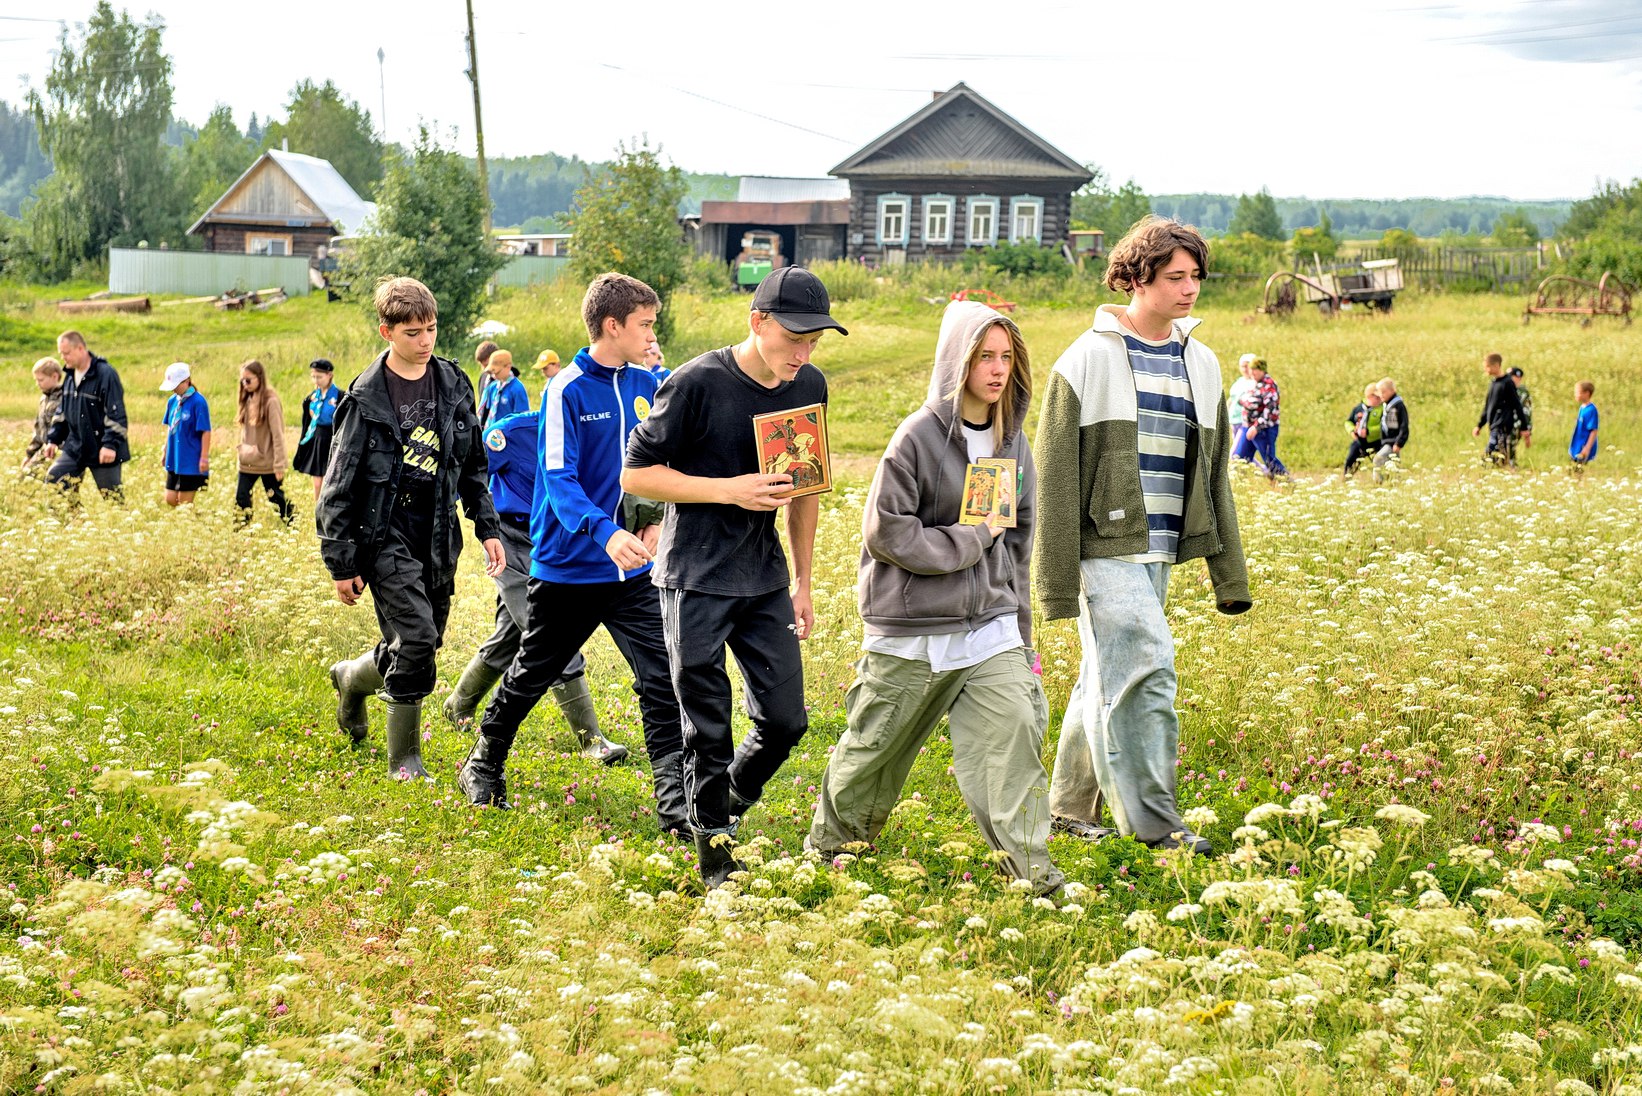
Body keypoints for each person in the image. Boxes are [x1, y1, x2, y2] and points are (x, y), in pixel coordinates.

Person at [807, 301, 1062, 895]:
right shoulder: (916, 438)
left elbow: (1017, 546)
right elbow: (887, 532)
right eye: (983, 357)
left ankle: (1034, 876)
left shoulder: (1011, 443)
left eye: (1006, 358)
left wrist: (1021, 633)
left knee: (1014, 742)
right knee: (872, 753)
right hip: (912, 628)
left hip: (989, 630)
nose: (997, 371)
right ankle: (831, 853)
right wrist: (968, 541)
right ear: (957, 363)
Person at [1035, 216, 1251, 855]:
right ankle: (1156, 826)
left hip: (1162, 545)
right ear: (1135, 278)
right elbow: (1055, 478)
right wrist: (1052, 580)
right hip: (1101, 549)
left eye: (1196, 278)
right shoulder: (1087, 359)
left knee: (1105, 672)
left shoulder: (1203, 363)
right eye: (1175, 277)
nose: (1190, 290)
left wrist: (1227, 571)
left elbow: (1216, 473)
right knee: (1147, 668)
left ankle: (1069, 808)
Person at [623, 266, 845, 888]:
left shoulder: (809, 386)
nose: (803, 353)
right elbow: (636, 476)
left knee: (787, 721)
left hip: (764, 577)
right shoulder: (694, 383)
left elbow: (805, 490)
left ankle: (729, 800)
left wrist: (803, 581)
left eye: (814, 341)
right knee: (708, 724)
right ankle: (713, 849)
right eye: (793, 338)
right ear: (758, 323)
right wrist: (729, 492)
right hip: (693, 575)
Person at [457, 273, 685, 831]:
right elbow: (558, 480)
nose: (653, 335)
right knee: (536, 669)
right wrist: (603, 532)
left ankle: (676, 803)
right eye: (646, 324)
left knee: (662, 677)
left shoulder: (646, 384)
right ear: (613, 326)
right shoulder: (567, 389)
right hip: (569, 566)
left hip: (631, 569)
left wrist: (652, 523)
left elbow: (652, 469)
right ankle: (483, 760)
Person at [318, 276, 505, 779]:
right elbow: (338, 487)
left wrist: (487, 526)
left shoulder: (454, 383)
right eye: (413, 332)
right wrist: (342, 562)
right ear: (386, 331)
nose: (425, 341)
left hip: (439, 530)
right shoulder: (364, 400)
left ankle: (352, 679)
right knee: (418, 639)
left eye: (432, 329)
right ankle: (405, 761)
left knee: (422, 642)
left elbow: (473, 464)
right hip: (384, 534)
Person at [442, 402, 633, 769]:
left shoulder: (591, 431)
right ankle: (592, 741)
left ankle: (458, 705)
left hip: (555, 542)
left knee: (511, 637)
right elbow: (469, 477)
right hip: (511, 539)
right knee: (551, 634)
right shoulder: (511, 433)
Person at [43, 330, 128, 501]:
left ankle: (126, 526)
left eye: (66, 353)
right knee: (55, 481)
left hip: (101, 448)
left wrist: (110, 445)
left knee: (113, 500)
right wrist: (53, 439)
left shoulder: (105, 374)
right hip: (76, 446)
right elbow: (63, 412)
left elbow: (116, 413)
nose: (63, 358)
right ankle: (73, 522)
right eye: (61, 353)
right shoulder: (69, 376)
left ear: (80, 348)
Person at [234, 359, 294, 525]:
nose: (245, 384)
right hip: (248, 461)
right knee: (241, 497)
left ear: (259, 378)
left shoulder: (271, 401)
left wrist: (279, 463)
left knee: (276, 498)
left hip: (267, 462)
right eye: (242, 381)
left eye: (248, 380)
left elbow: (278, 434)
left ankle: (293, 523)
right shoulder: (247, 398)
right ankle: (242, 529)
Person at [160, 362, 211, 506]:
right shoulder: (172, 401)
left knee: (184, 503)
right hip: (174, 457)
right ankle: (193, 520)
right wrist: (165, 450)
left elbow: (206, 431)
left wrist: (204, 458)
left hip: (191, 459)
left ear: (187, 381)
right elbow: (170, 428)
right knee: (170, 499)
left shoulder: (198, 402)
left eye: (176, 385)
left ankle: (194, 524)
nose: (174, 390)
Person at [293, 359, 343, 501]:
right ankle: (317, 506)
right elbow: (307, 422)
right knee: (316, 480)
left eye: (319, 377)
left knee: (331, 477)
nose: (316, 381)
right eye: (313, 377)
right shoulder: (311, 398)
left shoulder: (339, 397)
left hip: (332, 438)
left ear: (329, 375)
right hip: (317, 438)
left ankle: (330, 504)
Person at [1474, 353, 1528, 466]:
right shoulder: (1493, 383)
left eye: (1487, 367)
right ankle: (1505, 470)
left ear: (1496, 366)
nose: (1486, 370)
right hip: (1493, 425)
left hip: (1502, 426)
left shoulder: (1507, 383)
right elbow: (1488, 406)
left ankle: (1498, 473)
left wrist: (1524, 427)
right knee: (1498, 458)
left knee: (1489, 457)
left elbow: (1517, 405)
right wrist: (1479, 425)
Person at [1239, 355, 1286, 479]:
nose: (1253, 372)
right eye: (1251, 369)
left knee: (1269, 459)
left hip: (1263, 429)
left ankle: (1286, 481)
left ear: (1263, 370)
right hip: (1248, 427)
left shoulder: (1268, 385)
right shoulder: (1255, 384)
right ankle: (1243, 485)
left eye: (1256, 369)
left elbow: (1270, 411)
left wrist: (1256, 427)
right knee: (1240, 458)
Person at [20, 357, 64, 475]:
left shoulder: (66, 398)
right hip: (44, 451)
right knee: (26, 477)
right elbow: (38, 431)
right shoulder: (43, 400)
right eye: (36, 380)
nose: (37, 384)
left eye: (41, 380)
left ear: (55, 376)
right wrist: (29, 455)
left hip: (62, 453)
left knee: (62, 488)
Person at [1342, 382, 1384, 478]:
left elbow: (1383, 426)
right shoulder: (1359, 408)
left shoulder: (1382, 409)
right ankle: (1346, 478)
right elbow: (1348, 422)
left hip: (1376, 441)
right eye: (1376, 398)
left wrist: (1369, 431)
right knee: (1351, 459)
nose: (1379, 400)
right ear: (1369, 396)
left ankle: (1382, 479)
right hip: (1360, 441)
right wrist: (1352, 430)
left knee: (1379, 461)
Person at [478, 348, 528, 428]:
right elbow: (488, 412)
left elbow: (522, 417)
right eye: (492, 372)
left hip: (508, 433)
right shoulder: (492, 387)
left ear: (508, 367)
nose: (494, 375)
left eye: (497, 372)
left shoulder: (517, 388)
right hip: (492, 432)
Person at [1372, 377, 1409, 480]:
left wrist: (1399, 442)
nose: (1381, 395)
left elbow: (1404, 425)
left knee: (1378, 459)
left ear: (1392, 391)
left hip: (1393, 442)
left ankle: (1379, 482)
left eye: (1383, 392)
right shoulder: (1385, 406)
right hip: (1386, 441)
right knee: (1392, 465)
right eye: (1380, 392)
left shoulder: (1398, 405)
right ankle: (1394, 483)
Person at [1226, 354, 1257, 465]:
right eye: (1243, 366)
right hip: (1233, 421)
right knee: (1242, 454)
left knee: (1235, 454)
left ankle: (1268, 471)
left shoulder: (1255, 383)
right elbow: (1232, 399)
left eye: (1248, 366)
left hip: (1246, 422)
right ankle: (1267, 472)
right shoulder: (1238, 382)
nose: (1245, 369)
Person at [1508, 366, 1534, 467]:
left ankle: (1511, 467)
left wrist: (1527, 430)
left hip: (1516, 425)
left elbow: (1527, 412)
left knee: (1509, 449)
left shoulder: (1522, 392)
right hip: (1508, 424)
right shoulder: (1507, 388)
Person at [1570, 380, 1599, 467]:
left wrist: (1587, 448)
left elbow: (1594, 431)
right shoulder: (1582, 408)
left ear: (1586, 393)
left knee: (1579, 469)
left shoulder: (1591, 410)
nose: (1576, 395)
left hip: (1584, 445)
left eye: (1578, 392)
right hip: (1577, 444)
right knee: (1574, 468)